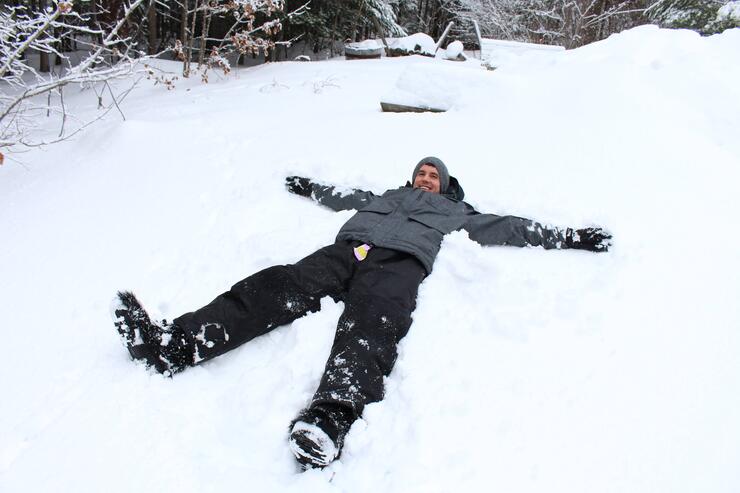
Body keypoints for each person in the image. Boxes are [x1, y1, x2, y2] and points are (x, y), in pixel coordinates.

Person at [112, 157, 611, 469]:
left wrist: (573, 237)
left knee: (372, 322)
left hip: (399, 264)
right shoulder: (385, 197)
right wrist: (309, 186)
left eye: (434, 174)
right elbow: (341, 196)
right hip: (349, 250)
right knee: (275, 285)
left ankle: (330, 420)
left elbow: (512, 228)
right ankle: (174, 345)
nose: (425, 178)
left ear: (447, 186)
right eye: (421, 171)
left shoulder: (458, 213)